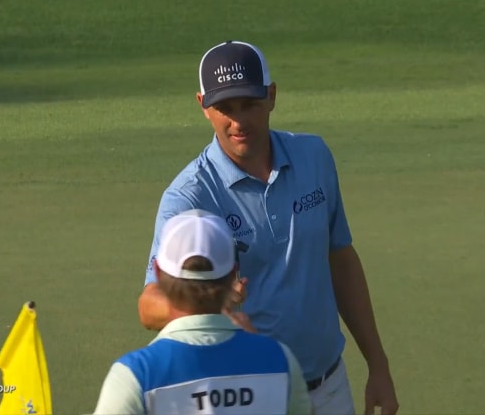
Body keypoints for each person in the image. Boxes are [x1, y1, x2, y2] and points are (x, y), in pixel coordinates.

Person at [138, 40, 399, 415]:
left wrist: (378, 364)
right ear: (202, 107)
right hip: (246, 395)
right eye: (224, 108)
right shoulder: (189, 197)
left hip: (328, 386)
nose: (238, 121)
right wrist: (207, 306)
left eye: (250, 105)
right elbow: (148, 306)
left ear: (272, 96)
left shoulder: (314, 157)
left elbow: (339, 258)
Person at [96, 209, 312, 415]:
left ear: (159, 274)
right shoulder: (281, 362)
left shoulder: (135, 375)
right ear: (232, 275)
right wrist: (259, 349)